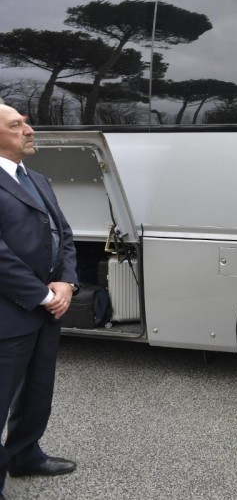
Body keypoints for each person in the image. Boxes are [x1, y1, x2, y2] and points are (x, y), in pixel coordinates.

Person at [0, 104, 79, 499]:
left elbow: (63, 234)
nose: (29, 130)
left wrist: (65, 281)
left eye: (26, 123)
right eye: (16, 125)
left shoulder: (38, 180)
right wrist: (42, 294)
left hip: (44, 311)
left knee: (37, 391)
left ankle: (24, 454)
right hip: (10, 312)